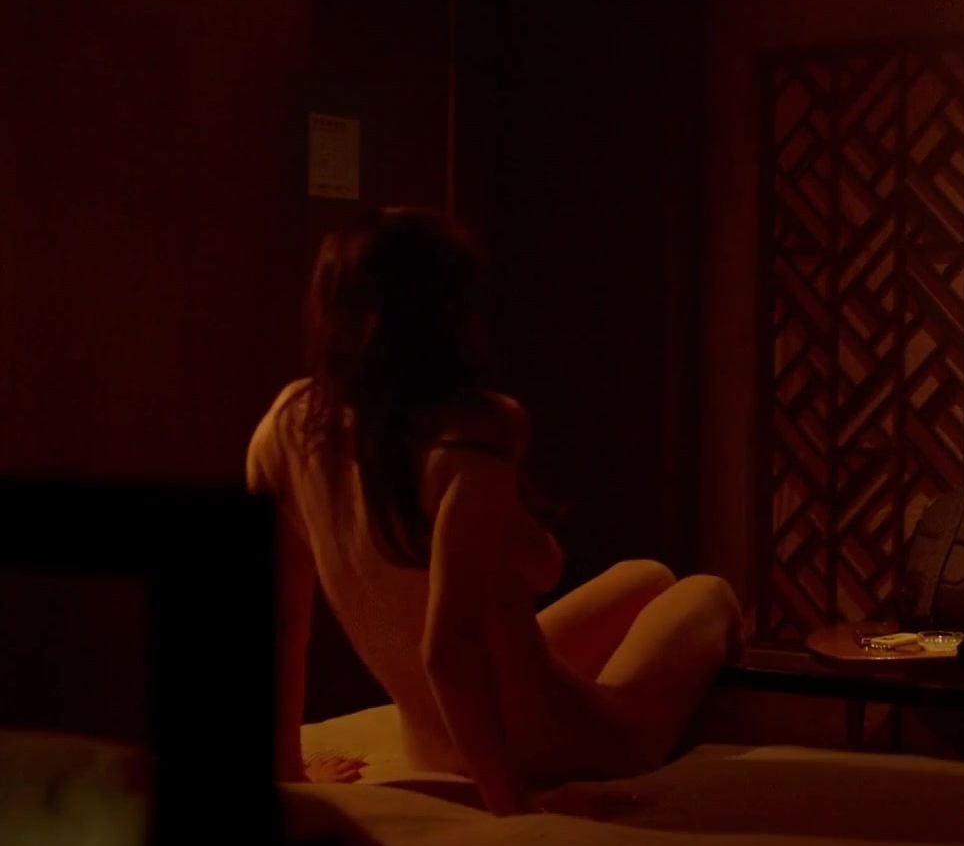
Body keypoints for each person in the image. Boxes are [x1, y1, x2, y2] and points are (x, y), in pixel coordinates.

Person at [246, 209, 741, 815]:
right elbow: (446, 648)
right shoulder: (469, 436)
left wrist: (288, 770)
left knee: (647, 575)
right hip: (549, 748)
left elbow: (277, 624)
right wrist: (511, 805)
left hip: (429, 738)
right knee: (709, 592)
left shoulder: (287, 427)